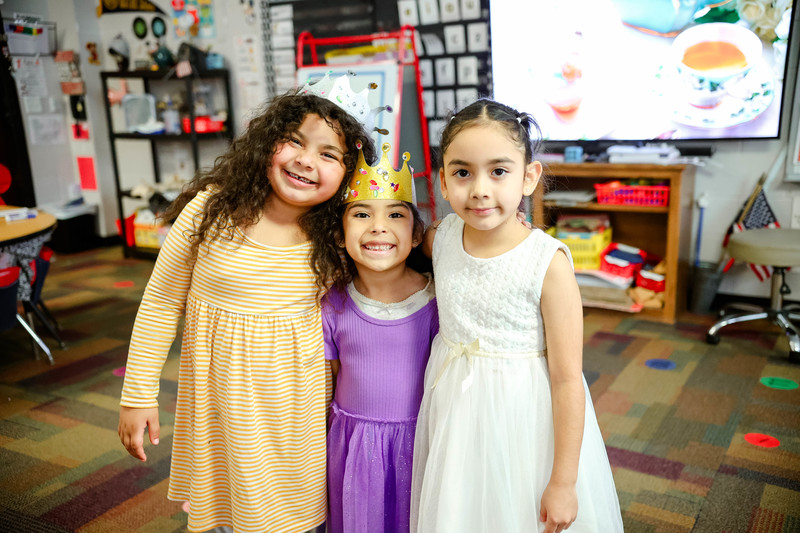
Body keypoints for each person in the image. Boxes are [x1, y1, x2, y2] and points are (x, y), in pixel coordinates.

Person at [117, 79, 379, 533]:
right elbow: (161, 302)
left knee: (295, 513)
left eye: (328, 154)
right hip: (221, 406)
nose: (305, 160)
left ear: (350, 173)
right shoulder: (210, 210)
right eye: (294, 140)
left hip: (297, 413)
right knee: (228, 509)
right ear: (266, 141)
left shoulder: (337, 236)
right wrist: (138, 393)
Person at [410, 99, 623, 533]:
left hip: (523, 415)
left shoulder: (548, 264)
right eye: (462, 172)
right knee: (462, 503)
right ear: (443, 181)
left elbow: (567, 380)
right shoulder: (443, 236)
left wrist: (563, 481)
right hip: (456, 404)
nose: (480, 189)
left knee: (517, 509)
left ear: (529, 177)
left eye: (499, 171)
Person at [323, 143, 439, 533]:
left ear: (417, 232)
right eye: (361, 214)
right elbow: (328, 381)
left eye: (395, 214)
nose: (378, 226)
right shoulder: (332, 305)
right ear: (340, 235)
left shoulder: (441, 301)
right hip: (355, 451)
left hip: (423, 443)